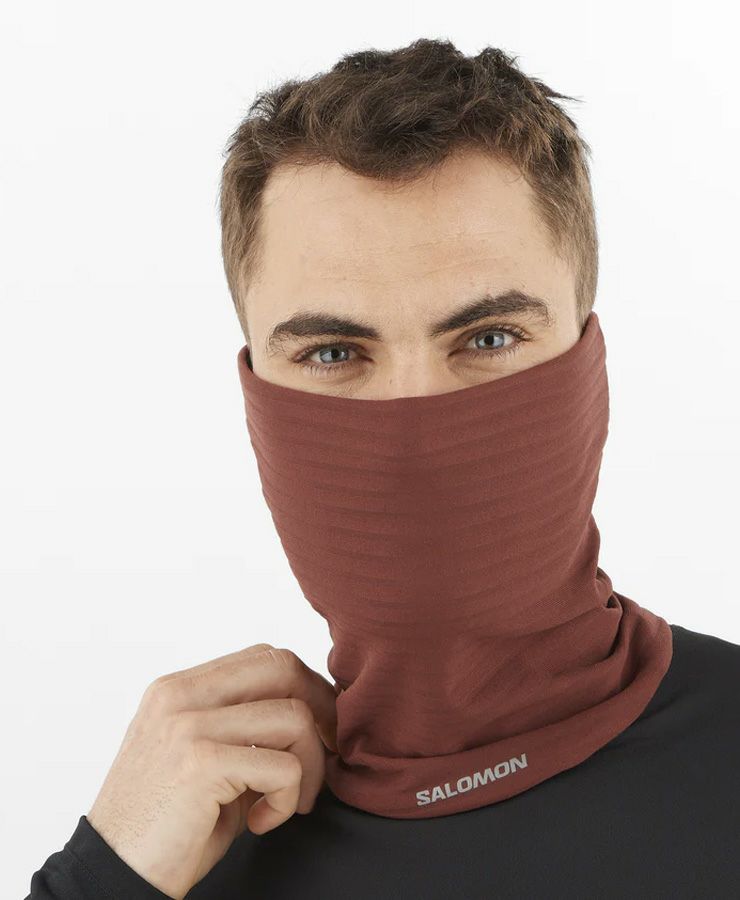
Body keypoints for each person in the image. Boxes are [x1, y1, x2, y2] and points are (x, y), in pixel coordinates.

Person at [27, 38, 740, 900]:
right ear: (255, 397)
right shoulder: (179, 852)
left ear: (590, 361)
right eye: (333, 352)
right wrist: (98, 880)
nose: (413, 422)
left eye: (488, 338)